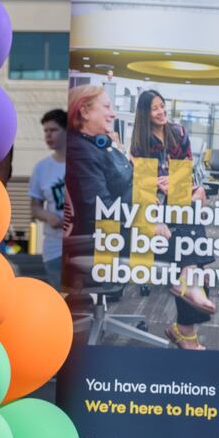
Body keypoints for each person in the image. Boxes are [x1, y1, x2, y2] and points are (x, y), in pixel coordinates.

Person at [129, 90, 213, 349]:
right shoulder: (140, 142)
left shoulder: (179, 134)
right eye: (155, 108)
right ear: (145, 113)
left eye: (163, 106)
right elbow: (136, 185)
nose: (161, 112)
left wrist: (177, 183)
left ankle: (185, 325)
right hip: (151, 206)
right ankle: (185, 330)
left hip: (176, 199)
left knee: (189, 237)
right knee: (195, 255)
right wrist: (155, 181)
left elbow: (185, 172)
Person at [64, 85, 133, 296]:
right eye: (106, 106)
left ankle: (189, 280)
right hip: (103, 237)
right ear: (84, 111)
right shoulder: (79, 150)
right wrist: (145, 218)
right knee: (182, 235)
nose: (112, 114)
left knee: (185, 211)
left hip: (119, 226)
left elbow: (124, 176)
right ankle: (189, 284)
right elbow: (100, 208)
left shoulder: (94, 144)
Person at [28, 108, 67, 282]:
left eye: (53, 130)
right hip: (54, 248)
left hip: (82, 246)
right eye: (46, 131)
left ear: (66, 131)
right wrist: (48, 216)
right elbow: (35, 207)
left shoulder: (83, 163)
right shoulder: (41, 168)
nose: (48, 135)